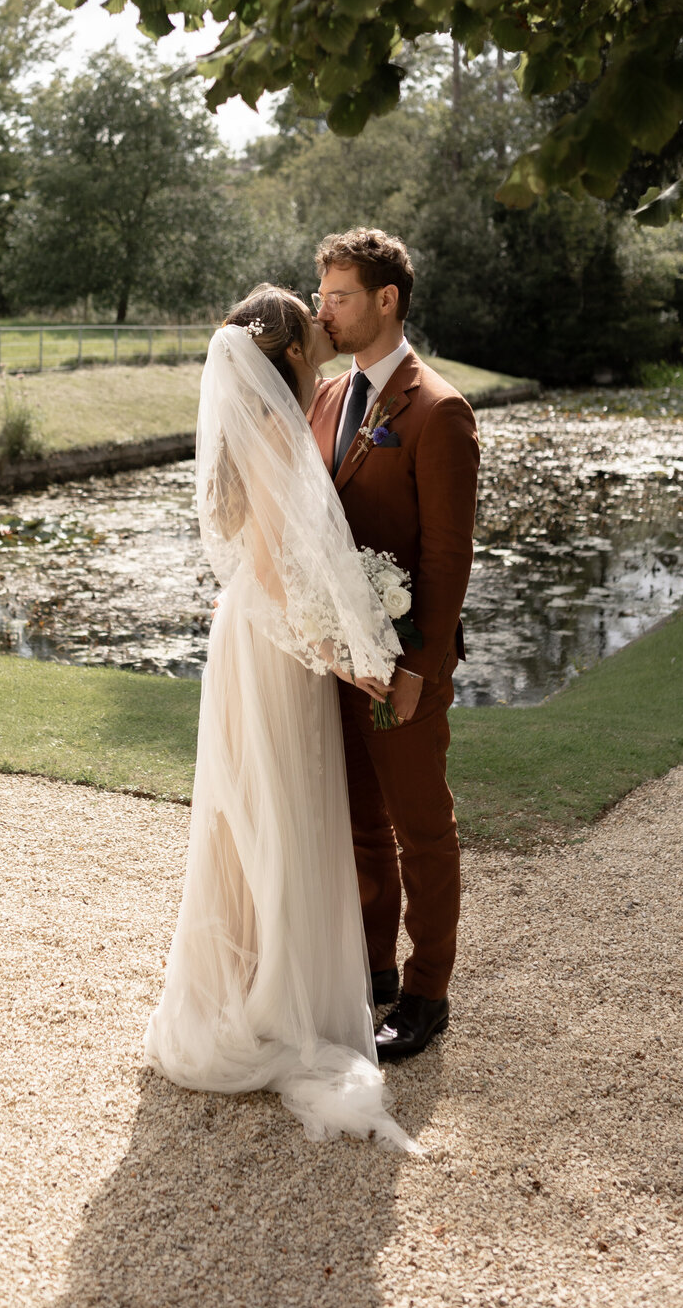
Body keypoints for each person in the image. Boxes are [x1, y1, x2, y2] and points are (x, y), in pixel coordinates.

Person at [144, 285, 418, 1151]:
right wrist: (342, 655)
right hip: (273, 649)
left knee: (256, 816)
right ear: (294, 351)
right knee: (279, 815)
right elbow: (273, 574)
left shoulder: (270, 424)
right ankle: (276, 1005)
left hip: (257, 641)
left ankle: (256, 978)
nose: (325, 321)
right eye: (315, 315)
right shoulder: (270, 433)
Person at [310, 229, 480, 1061]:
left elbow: (449, 556)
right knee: (360, 829)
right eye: (322, 296)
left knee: (422, 830)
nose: (324, 313)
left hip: (405, 664)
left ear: (386, 300)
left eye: (338, 297)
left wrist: (418, 668)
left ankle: (428, 992)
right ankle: (374, 972)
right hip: (337, 662)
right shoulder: (326, 397)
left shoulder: (439, 409)